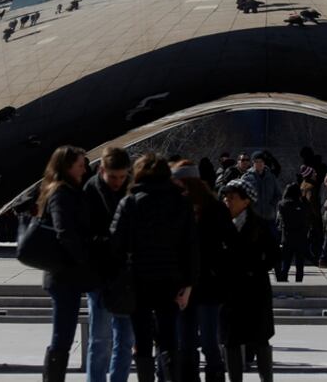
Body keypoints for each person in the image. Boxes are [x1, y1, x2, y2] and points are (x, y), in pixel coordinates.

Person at [110, 154, 198, 382]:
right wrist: (188, 284)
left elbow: (116, 244)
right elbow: (190, 247)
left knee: (142, 339)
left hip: (138, 278)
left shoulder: (130, 202)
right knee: (169, 338)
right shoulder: (181, 202)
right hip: (171, 278)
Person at [38, 146, 100, 382]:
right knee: (63, 335)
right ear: (67, 166)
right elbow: (65, 232)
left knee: (64, 333)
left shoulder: (70, 190)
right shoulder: (61, 193)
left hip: (67, 274)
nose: (85, 168)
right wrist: (83, 257)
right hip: (64, 275)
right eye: (80, 165)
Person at [172, 160, 234, 382]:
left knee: (207, 342)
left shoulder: (213, 209)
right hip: (188, 283)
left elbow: (229, 244)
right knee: (187, 343)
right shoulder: (179, 207)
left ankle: (212, 375)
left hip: (207, 283)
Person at [83, 147, 135, 382]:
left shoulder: (131, 191)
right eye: (113, 177)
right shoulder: (91, 191)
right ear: (102, 170)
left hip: (125, 277)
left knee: (125, 340)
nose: (118, 182)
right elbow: (84, 235)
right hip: (100, 276)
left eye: (122, 176)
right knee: (100, 340)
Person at [219, 179, 279, 382]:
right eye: (225, 198)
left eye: (232, 198)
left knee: (260, 340)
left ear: (246, 201)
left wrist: (255, 267)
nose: (227, 202)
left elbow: (273, 257)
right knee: (231, 341)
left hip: (256, 292)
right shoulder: (221, 226)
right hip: (230, 293)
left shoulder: (260, 225)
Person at [241, 152, 281, 236]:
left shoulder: (271, 177)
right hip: (253, 217)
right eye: (256, 161)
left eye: (261, 161)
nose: (259, 164)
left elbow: (278, 194)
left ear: (264, 163)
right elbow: (242, 196)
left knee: (272, 242)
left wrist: (271, 205)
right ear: (253, 163)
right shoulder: (246, 177)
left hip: (269, 216)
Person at [276, 183, 310, 283]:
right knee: (299, 266)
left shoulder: (282, 204)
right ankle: (298, 287)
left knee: (285, 264)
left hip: (287, 237)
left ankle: (283, 285)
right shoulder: (302, 205)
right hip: (300, 238)